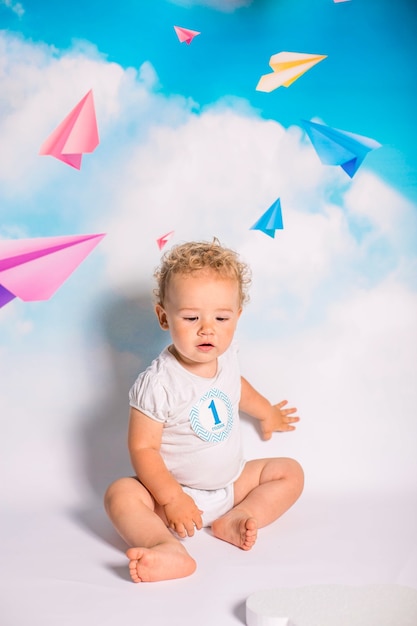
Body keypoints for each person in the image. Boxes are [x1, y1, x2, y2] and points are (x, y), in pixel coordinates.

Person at [104, 239, 304, 583]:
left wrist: (266, 412)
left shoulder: (225, 356)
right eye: (192, 317)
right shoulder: (159, 383)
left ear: (237, 317)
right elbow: (143, 448)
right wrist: (171, 498)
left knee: (289, 472)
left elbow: (237, 387)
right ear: (164, 317)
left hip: (230, 485)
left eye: (221, 317)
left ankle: (238, 517)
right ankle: (165, 546)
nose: (207, 328)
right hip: (175, 496)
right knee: (120, 494)